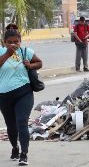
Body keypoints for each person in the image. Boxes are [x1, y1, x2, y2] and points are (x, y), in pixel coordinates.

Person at [0, 24, 42, 166]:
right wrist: (7, 54)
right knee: (11, 126)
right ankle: (15, 148)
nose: (13, 44)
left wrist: (30, 65)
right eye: (9, 42)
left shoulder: (26, 51)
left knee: (21, 122)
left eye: (16, 42)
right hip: (4, 96)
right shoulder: (0, 52)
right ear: (4, 42)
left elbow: (39, 63)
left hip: (24, 92)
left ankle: (24, 154)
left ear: (20, 41)